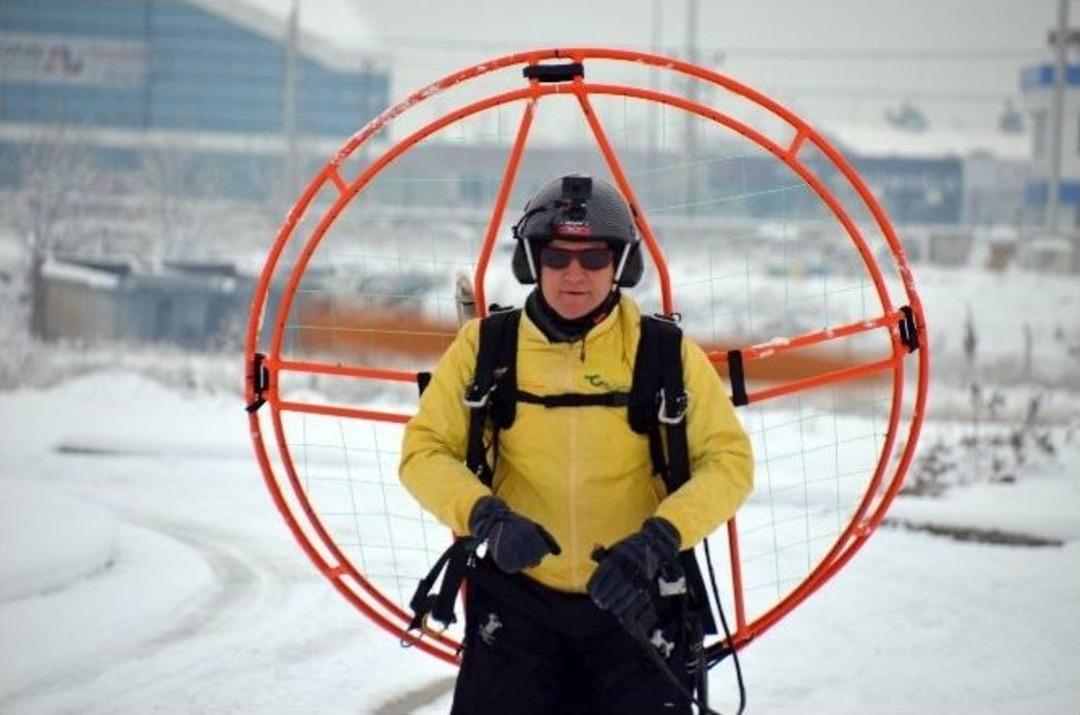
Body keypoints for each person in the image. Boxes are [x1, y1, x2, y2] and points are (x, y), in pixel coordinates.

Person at [399, 174, 753, 714]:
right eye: (558, 256)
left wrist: (658, 541)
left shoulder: (664, 353)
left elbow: (729, 463)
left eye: (593, 259)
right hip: (518, 610)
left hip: (638, 607)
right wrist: (487, 518)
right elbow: (424, 451)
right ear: (530, 261)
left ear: (622, 266)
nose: (574, 274)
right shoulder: (485, 348)